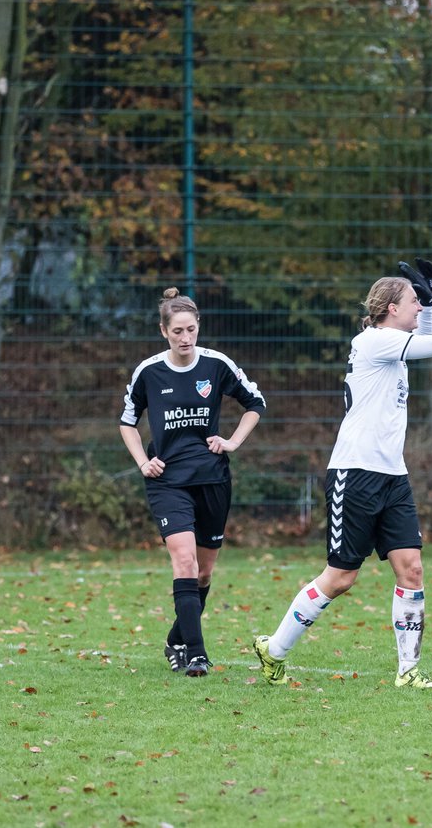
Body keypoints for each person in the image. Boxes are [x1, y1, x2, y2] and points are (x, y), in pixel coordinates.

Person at [253, 259, 432, 689]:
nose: (420, 309)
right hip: (355, 472)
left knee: (411, 568)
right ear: (389, 309)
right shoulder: (375, 341)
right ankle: (274, 650)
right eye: (414, 303)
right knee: (341, 577)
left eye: (423, 303)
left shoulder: (391, 339)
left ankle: (408, 672)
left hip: (391, 475)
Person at [119, 287, 266, 677]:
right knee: (183, 560)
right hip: (168, 481)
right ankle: (196, 654)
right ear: (163, 331)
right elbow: (127, 422)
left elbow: (255, 404)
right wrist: (143, 462)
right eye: (178, 331)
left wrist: (232, 441)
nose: (186, 339)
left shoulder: (216, 365)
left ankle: (175, 639)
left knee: (202, 573)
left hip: (212, 479)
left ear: (198, 328)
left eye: (191, 330)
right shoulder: (149, 371)